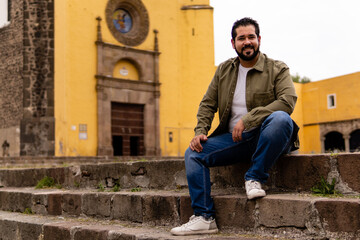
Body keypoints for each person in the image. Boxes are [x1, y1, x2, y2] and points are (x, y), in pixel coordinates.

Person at [170, 17, 299, 236]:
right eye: (241, 38)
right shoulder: (224, 70)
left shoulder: (277, 68)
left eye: (251, 37)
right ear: (233, 43)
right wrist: (200, 131)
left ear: (258, 39)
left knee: (280, 119)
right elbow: (208, 103)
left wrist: (248, 119)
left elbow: (287, 101)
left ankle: (254, 177)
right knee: (193, 153)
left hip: (268, 137)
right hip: (235, 141)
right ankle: (204, 217)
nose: (247, 42)